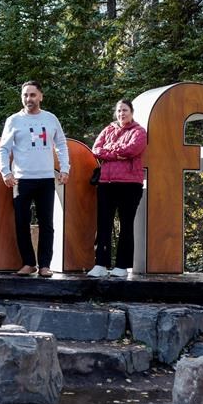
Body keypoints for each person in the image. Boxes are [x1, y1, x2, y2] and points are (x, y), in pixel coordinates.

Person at [0, 80, 70, 277]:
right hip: (21, 179)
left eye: (32, 95)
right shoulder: (14, 120)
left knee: (47, 223)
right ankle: (29, 263)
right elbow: (3, 148)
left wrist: (65, 168)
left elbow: (61, 144)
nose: (29, 99)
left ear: (41, 96)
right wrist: (5, 172)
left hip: (46, 178)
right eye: (25, 95)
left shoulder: (50, 118)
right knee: (22, 222)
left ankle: (45, 265)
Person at [87, 99, 147, 278]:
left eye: (125, 110)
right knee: (103, 224)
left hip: (130, 185)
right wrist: (116, 153)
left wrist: (110, 151)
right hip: (106, 183)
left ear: (132, 112)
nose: (122, 113)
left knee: (126, 225)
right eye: (119, 110)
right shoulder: (108, 129)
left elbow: (132, 150)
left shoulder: (139, 131)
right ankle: (100, 264)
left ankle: (122, 266)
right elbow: (96, 149)